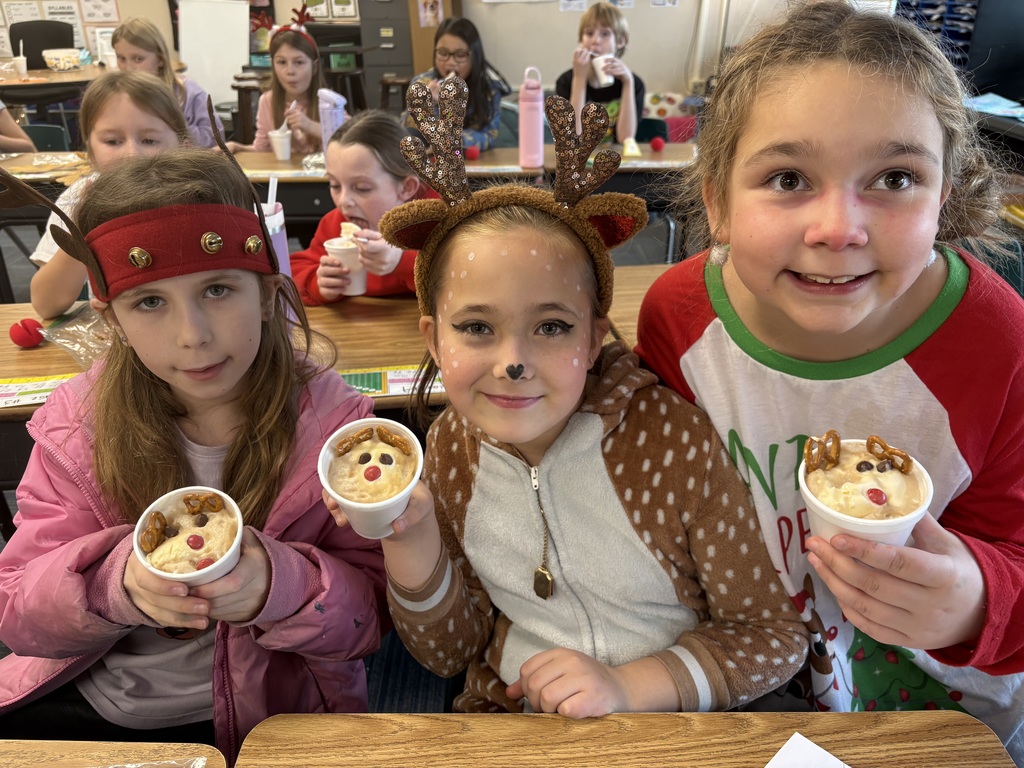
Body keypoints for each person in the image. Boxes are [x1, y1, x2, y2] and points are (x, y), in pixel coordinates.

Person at [634, 2, 1024, 760]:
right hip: (754, 697)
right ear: (715, 200)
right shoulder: (677, 321)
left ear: (943, 194)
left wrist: (978, 601)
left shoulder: (996, 341)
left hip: (946, 723)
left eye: (896, 177)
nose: (838, 227)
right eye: (788, 177)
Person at [359, 80, 808, 716]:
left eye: (551, 327)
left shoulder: (672, 440)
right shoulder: (448, 449)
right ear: (433, 338)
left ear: (596, 336)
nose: (512, 361)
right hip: (517, 723)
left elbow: (772, 639)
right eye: (477, 327)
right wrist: (408, 537)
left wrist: (627, 687)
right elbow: (447, 654)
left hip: (678, 725)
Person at [0, 148, 388, 765]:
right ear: (115, 320)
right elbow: (16, 611)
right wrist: (110, 583)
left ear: (265, 293)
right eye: (149, 302)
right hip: (91, 706)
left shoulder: (336, 431)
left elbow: (373, 620)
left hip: (272, 722)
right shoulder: (77, 431)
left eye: (217, 289)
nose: (193, 335)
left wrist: (281, 585)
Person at [28, 71, 188, 320]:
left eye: (149, 140)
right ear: (89, 149)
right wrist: (82, 227)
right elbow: (46, 304)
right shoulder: (77, 200)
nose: (131, 154)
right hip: (116, 340)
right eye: (113, 141)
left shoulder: (199, 195)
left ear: (182, 144)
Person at [289, 110, 440, 305]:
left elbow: (462, 281)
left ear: (406, 188)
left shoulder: (435, 223)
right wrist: (317, 282)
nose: (344, 201)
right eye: (335, 185)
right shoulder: (334, 224)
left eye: (362, 188)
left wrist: (401, 261)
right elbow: (293, 268)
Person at [401, 18, 510, 152]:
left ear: (474, 57)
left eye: (460, 55)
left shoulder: (488, 90)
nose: (451, 62)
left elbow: (489, 135)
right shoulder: (422, 84)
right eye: (443, 53)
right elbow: (406, 134)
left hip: (473, 165)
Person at [112, 17, 224, 147]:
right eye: (121, 59)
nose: (128, 68)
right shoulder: (118, 96)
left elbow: (216, 137)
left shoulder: (188, 91)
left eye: (138, 59)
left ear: (160, 59)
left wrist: (171, 129)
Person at [228, 8, 323, 156]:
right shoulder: (267, 101)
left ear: (314, 66)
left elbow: (349, 139)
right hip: (282, 178)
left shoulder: (328, 102)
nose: (290, 71)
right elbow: (261, 150)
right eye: (282, 62)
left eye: (299, 62)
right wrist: (236, 147)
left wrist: (310, 126)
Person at [555, 1, 643, 144]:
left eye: (605, 34)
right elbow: (573, 139)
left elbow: (625, 139)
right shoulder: (566, 81)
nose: (595, 41)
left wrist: (628, 83)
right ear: (581, 40)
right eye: (589, 33)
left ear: (620, 41)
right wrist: (579, 78)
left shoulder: (634, 84)